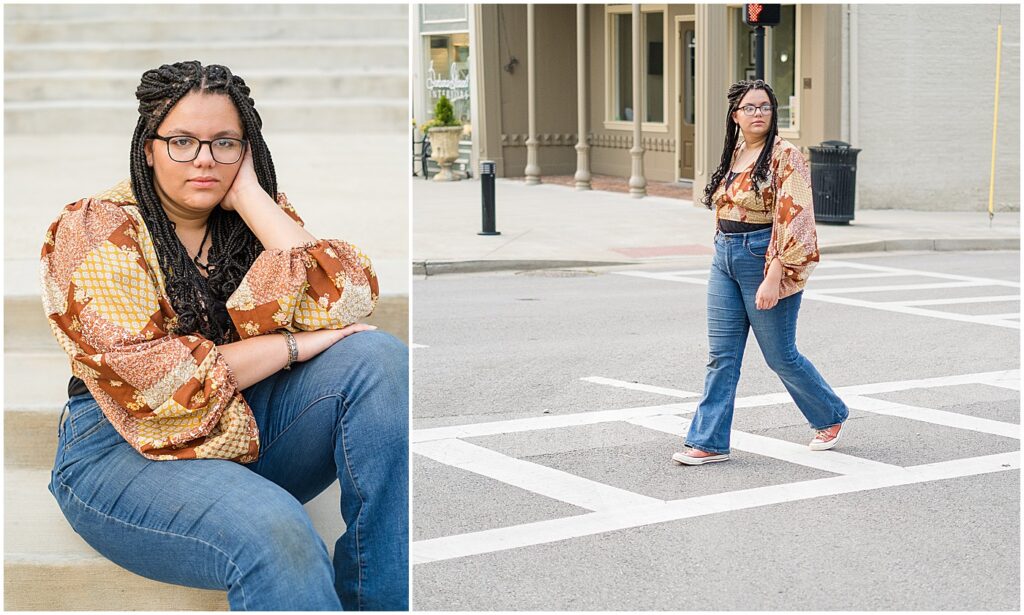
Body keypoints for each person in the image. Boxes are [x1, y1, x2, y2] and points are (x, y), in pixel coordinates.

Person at [40, 61, 408, 610]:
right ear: (148, 147)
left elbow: (349, 298)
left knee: (378, 357)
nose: (205, 159)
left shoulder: (253, 217)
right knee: (275, 528)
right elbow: (159, 383)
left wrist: (254, 200)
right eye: (183, 142)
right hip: (123, 449)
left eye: (225, 143)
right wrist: (290, 346)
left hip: (236, 422)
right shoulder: (95, 228)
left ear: (248, 150)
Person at [672, 79, 849, 466]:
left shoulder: (786, 155)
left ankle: (830, 415)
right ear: (735, 115)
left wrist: (774, 275)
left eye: (765, 107)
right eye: (750, 108)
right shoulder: (734, 152)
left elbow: (795, 217)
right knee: (721, 355)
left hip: (763, 257)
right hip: (724, 255)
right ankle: (709, 441)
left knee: (779, 355)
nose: (758, 114)